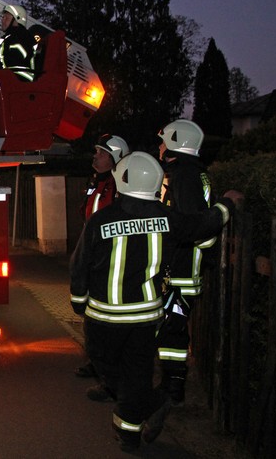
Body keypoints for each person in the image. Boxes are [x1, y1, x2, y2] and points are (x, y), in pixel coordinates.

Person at [70, 151, 234, 451]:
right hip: (147, 320)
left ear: (122, 180)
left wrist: (79, 302)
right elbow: (202, 224)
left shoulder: (100, 220)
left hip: (105, 320)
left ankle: (149, 406)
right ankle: (130, 432)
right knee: (137, 375)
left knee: (113, 375)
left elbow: (80, 265)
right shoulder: (167, 218)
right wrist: (227, 205)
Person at [156, 119, 212, 405]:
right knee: (171, 328)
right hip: (182, 267)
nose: (160, 147)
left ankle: (173, 388)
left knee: (173, 330)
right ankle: (171, 383)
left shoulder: (185, 175)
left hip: (181, 270)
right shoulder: (189, 173)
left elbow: (190, 225)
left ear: (176, 143)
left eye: (163, 141)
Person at [75, 134, 129, 385]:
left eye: (102, 153)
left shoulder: (121, 186)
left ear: (115, 158)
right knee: (92, 313)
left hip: (110, 256)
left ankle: (108, 368)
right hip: (94, 253)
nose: (95, 156)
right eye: (96, 151)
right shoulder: (97, 182)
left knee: (105, 317)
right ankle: (96, 362)